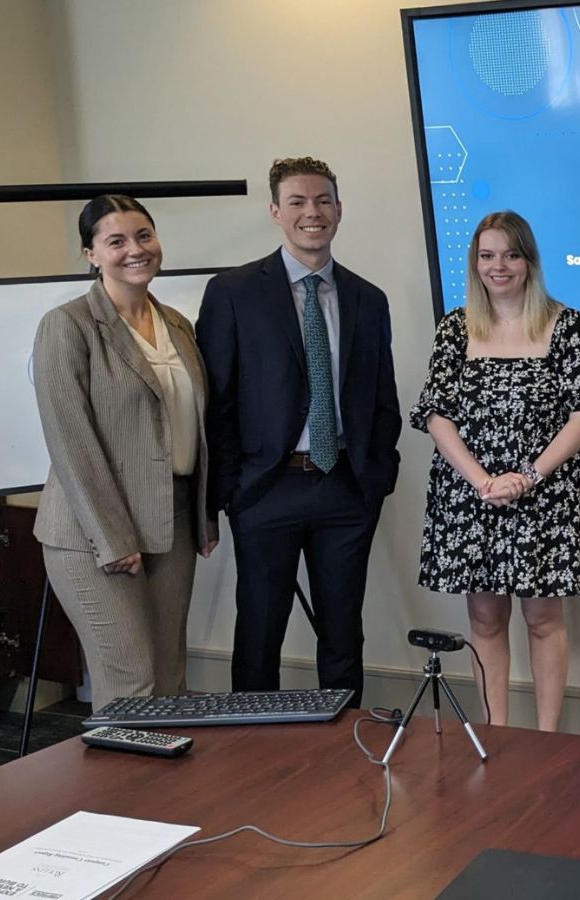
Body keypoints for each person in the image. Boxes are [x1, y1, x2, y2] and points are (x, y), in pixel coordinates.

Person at [196, 157, 402, 706]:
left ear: (338, 209)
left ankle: (341, 755)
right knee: (260, 629)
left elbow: (383, 399)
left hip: (345, 488)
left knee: (342, 634)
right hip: (266, 489)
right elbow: (216, 401)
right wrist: (229, 493)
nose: (312, 213)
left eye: (323, 201)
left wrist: (376, 478)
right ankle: (254, 751)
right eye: (298, 202)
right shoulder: (233, 292)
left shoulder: (368, 298)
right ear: (274, 212)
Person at [412, 211, 580, 732]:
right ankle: (495, 735)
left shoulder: (570, 326)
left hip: (544, 496)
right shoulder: (455, 329)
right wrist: (482, 480)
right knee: (483, 619)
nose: (498, 266)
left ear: (529, 260)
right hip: (472, 497)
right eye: (487, 255)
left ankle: (547, 739)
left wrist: (527, 476)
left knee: (543, 619)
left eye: (510, 254)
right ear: (475, 263)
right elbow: (436, 415)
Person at [33, 194, 217, 711]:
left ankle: (167, 794)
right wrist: (111, 537)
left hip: (172, 522)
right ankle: (121, 796)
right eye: (115, 241)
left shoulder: (178, 324)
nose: (135, 250)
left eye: (143, 236)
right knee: (129, 685)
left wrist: (203, 518)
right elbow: (71, 443)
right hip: (92, 534)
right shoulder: (67, 326)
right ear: (91, 254)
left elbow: (196, 428)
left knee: (168, 679)